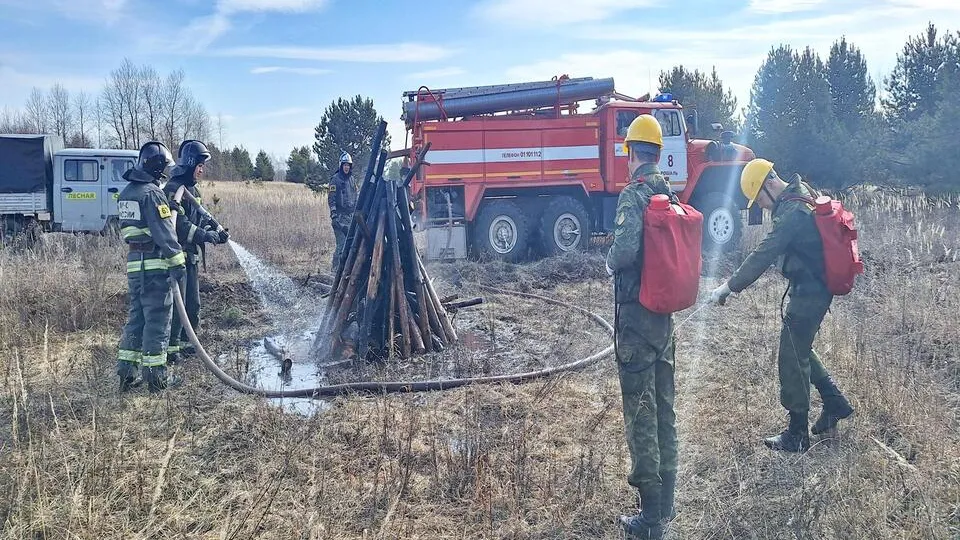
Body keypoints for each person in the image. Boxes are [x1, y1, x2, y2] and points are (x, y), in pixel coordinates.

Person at [708, 158, 854, 452]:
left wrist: (728, 287)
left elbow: (764, 253)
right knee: (799, 347)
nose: (761, 206)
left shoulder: (793, 212)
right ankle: (834, 401)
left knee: (791, 355)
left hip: (812, 290)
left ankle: (797, 434)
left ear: (770, 184)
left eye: (760, 199)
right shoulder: (800, 195)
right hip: (813, 286)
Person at [607, 114, 679, 540]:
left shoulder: (633, 196)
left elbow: (626, 251)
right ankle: (666, 501)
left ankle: (650, 517)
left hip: (636, 318)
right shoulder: (667, 193)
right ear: (660, 153)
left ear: (632, 152)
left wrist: (610, 258)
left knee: (640, 412)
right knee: (664, 406)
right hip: (664, 316)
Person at [116, 141, 186, 393]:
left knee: (136, 318)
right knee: (157, 321)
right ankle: (156, 379)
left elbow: (142, 224)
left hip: (135, 265)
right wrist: (178, 262)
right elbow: (164, 232)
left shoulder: (127, 193)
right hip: (155, 267)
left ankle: (126, 373)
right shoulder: (152, 194)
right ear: (158, 168)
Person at [163, 140, 228, 363]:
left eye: (203, 165)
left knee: (193, 303)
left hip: (191, 258)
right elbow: (179, 225)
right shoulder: (173, 189)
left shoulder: (194, 190)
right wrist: (204, 235)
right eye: (199, 165)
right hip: (176, 257)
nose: (202, 169)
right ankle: (171, 350)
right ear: (190, 164)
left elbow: (200, 217)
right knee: (176, 305)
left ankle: (187, 343)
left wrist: (215, 232)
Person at [328, 151, 358, 275]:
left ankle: (346, 269)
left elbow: (356, 197)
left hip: (350, 217)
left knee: (350, 244)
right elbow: (332, 199)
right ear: (341, 166)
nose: (346, 167)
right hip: (339, 217)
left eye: (348, 165)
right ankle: (335, 270)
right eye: (345, 165)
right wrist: (334, 215)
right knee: (341, 245)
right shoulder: (335, 180)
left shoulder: (352, 179)